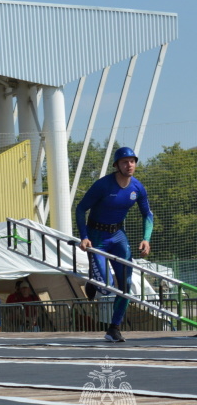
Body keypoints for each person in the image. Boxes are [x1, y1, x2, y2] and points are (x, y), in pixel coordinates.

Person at [76, 147, 153, 343]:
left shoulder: (137, 188)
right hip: (97, 236)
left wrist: (146, 238)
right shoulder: (102, 186)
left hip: (118, 236)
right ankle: (94, 280)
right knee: (106, 287)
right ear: (117, 165)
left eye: (132, 161)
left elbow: (148, 215)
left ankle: (114, 328)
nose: (129, 165)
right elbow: (80, 208)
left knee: (126, 285)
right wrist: (84, 236)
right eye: (125, 162)